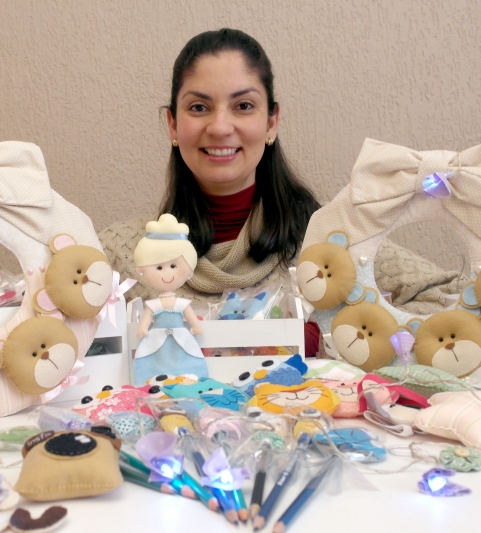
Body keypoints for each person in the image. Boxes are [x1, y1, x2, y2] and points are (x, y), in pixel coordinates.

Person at [99, 28, 323, 354]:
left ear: (271, 122)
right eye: (199, 107)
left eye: (243, 105)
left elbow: (403, 318)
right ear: (173, 124)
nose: (219, 127)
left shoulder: (328, 243)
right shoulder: (117, 260)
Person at [132, 214, 207, 384]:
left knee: (185, 357)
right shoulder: (153, 305)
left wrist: (195, 326)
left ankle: (188, 379)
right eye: (158, 267)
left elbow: (191, 318)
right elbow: (146, 319)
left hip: (181, 337)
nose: (167, 273)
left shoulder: (181, 304)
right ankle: (151, 381)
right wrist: (143, 328)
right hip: (156, 338)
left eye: (173, 266)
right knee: (153, 360)